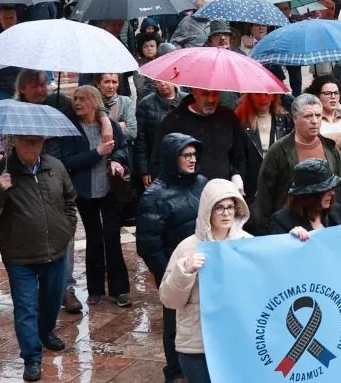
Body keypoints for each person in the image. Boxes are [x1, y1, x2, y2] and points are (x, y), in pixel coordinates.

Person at [0, 134, 77, 382]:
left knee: (52, 300)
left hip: (55, 250)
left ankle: (46, 331)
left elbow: (69, 200)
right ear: (15, 142)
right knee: (26, 307)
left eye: (37, 141)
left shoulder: (55, 166)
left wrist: (67, 230)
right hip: (20, 255)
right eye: (26, 141)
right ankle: (31, 357)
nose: (32, 146)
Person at [159, 179, 253, 383]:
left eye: (231, 207)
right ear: (207, 210)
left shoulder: (247, 244)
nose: (226, 213)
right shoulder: (187, 248)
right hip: (197, 347)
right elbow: (169, 300)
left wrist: (294, 239)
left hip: (236, 343)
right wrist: (184, 270)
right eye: (219, 207)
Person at [135, 133, 207, 383]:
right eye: (186, 155)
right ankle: (175, 372)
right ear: (171, 158)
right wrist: (170, 274)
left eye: (194, 155)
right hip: (175, 271)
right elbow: (148, 244)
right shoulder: (154, 195)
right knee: (174, 324)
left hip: (205, 268)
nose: (192, 160)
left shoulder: (203, 184)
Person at [61, 85, 131, 307]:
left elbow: (123, 148)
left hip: (109, 190)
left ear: (94, 101)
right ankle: (95, 290)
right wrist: (96, 154)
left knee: (112, 236)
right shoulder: (71, 128)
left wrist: (118, 160)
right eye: (75, 98)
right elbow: (67, 162)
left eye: (83, 99)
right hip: (84, 192)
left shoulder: (108, 124)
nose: (77, 103)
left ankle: (120, 290)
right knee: (93, 238)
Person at [253, 94, 341, 231]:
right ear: (295, 118)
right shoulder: (278, 151)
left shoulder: (330, 148)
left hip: (326, 224)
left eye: (318, 115)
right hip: (291, 229)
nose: (315, 121)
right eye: (308, 116)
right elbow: (264, 199)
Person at [151, 87, 255, 195]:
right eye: (205, 94)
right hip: (185, 197)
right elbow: (158, 162)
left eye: (215, 93)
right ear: (193, 91)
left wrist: (236, 176)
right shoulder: (174, 121)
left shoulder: (228, 117)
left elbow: (239, 156)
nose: (211, 99)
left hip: (223, 198)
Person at [268, 159, 341, 235]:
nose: (332, 193)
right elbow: (279, 247)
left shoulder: (337, 211)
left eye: (331, 188)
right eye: (325, 190)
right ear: (308, 195)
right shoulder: (282, 220)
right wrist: (290, 239)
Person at [134, 80, 185, 186]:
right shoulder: (146, 103)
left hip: (184, 161)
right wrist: (144, 170)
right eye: (158, 81)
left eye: (166, 80)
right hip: (157, 164)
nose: (162, 84)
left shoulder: (187, 100)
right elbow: (141, 140)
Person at [306, 76, 341, 153]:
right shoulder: (310, 120)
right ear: (317, 96)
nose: (333, 97)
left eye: (336, 93)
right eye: (327, 93)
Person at [98, 73, 138, 145]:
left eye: (114, 82)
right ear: (98, 84)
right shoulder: (94, 103)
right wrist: (119, 126)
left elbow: (132, 132)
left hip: (122, 150)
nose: (111, 86)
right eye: (106, 82)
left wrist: (106, 132)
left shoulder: (126, 101)